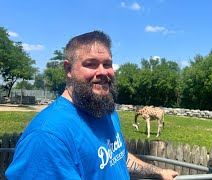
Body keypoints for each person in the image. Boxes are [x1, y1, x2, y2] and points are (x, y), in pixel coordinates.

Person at [5, 31, 178, 179]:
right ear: (68, 69)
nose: (103, 72)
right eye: (91, 64)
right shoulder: (47, 137)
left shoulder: (105, 111)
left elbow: (119, 158)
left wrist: (158, 172)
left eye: (107, 64)